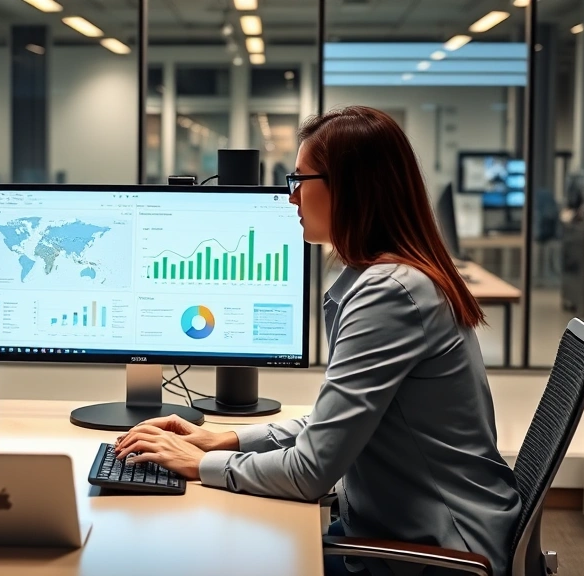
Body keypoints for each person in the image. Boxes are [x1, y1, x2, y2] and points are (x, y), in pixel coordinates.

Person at [115, 106, 522, 576]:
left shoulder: (391, 293)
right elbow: (337, 425)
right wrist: (224, 437)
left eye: (299, 181)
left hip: (445, 553)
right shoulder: (388, 279)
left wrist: (199, 464)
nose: (292, 200)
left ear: (346, 188)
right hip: (397, 528)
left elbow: (310, 471)